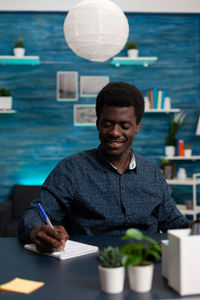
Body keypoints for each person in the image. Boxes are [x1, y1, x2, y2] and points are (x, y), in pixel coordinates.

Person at [18, 81, 189, 253]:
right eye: (107, 124)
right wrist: (37, 231)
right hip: (88, 267)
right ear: (97, 123)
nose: (115, 132)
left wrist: (193, 227)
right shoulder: (71, 169)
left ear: (137, 126)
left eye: (124, 126)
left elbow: (174, 223)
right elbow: (33, 214)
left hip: (145, 263)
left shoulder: (151, 172)